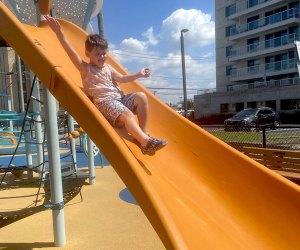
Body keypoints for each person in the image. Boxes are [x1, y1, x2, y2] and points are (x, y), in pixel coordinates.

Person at [44, 16, 167, 155]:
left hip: (119, 100)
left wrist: (138, 74)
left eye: (104, 53)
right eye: (98, 54)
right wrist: (59, 33)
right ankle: (145, 142)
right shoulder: (85, 68)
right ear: (87, 54)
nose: (102, 56)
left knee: (141, 97)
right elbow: (70, 51)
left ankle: (143, 135)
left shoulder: (108, 68)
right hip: (105, 103)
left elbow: (122, 78)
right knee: (127, 114)